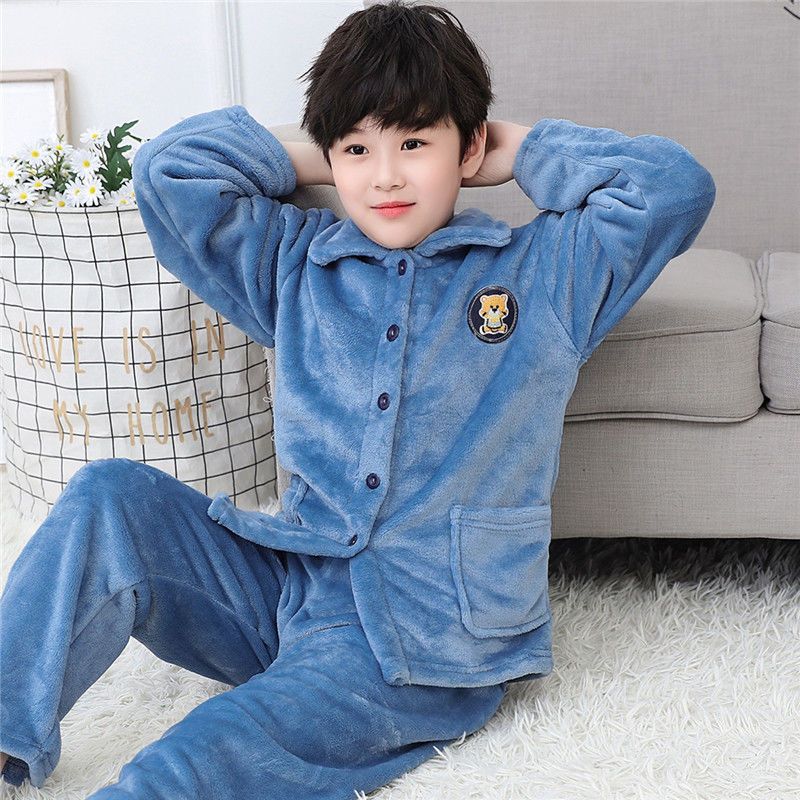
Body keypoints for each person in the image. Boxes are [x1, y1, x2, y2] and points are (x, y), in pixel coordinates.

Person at [0, 0, 716, 796]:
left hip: (419, 642)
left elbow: (672, 188)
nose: (386, 176)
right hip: (287, 590)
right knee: (109, 497)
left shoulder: (543, 274)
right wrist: (321, 149)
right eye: (357, 149)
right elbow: (169, 175)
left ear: (467, 147)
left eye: (415, 143)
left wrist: (517, 148)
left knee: (200, 758)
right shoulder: (295, 264)